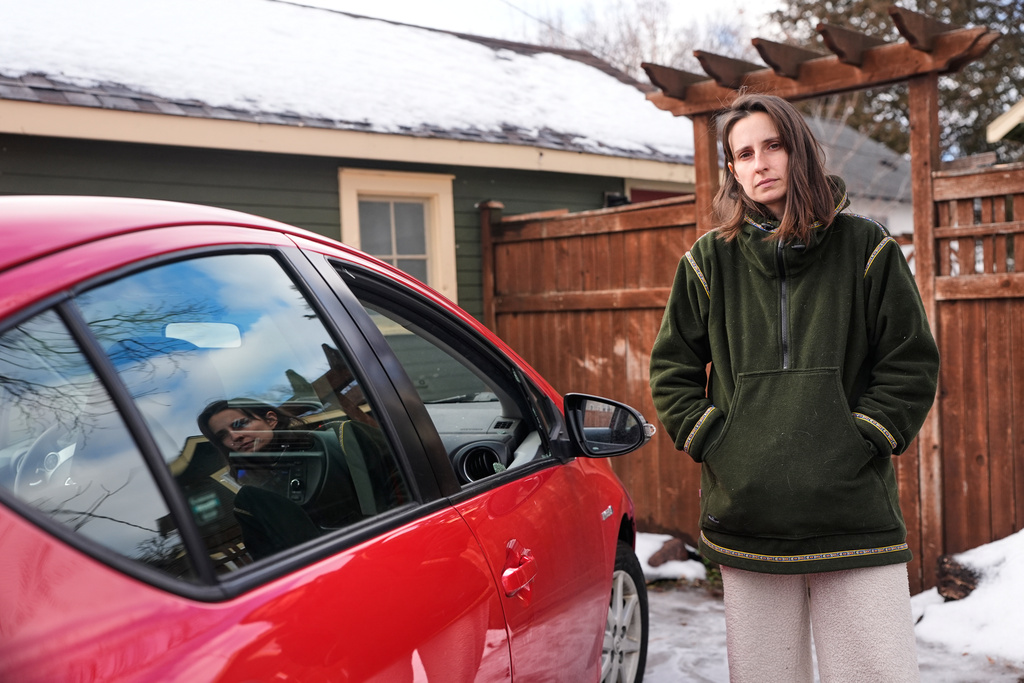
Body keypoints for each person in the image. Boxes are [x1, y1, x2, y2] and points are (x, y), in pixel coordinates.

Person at [649, 92, 939, 682]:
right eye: (743, 153)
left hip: (853, 515)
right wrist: (719, 441)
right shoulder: (708, 261)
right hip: (749, 517)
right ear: (732, 169)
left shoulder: (868, 248)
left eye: (773, 145)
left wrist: (861, 438)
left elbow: (910, 364)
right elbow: (672, 370)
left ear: (799, 149)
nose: (759, 163)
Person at [197, 398, 360, 558]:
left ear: (271, 420)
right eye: (222, 436)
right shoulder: (250, 503)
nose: (235, 437)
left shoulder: (340, 442)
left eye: (240, 424)